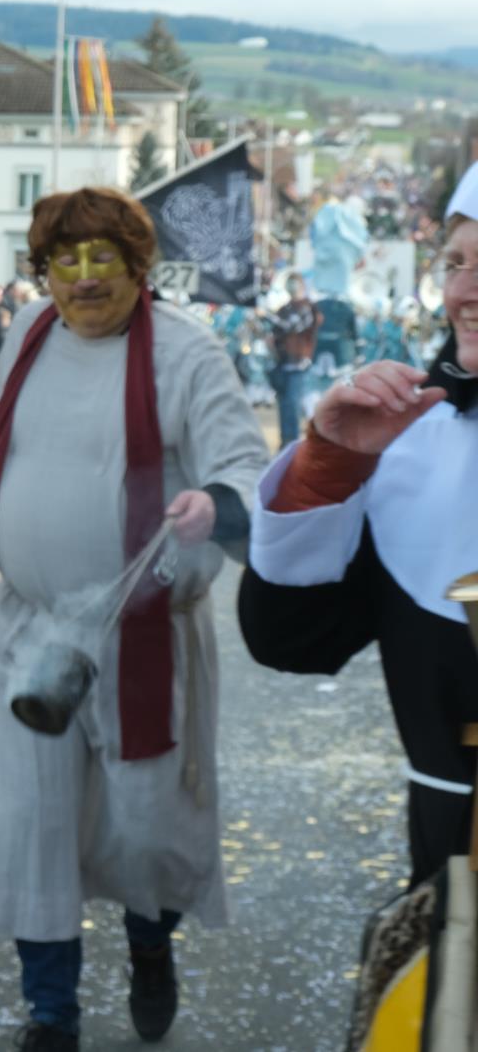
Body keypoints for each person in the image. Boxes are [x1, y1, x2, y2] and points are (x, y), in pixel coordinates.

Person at [0, 186, 268, 1052]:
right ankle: (52, 1012)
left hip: (142, 633)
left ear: (138, 265)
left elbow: (242, 463)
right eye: (64, 263)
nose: (84, 281)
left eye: (102, 260)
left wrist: (213, 502)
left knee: (143, 821)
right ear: (42, 272)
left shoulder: (189, 356)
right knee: (34, 822)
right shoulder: (32, 334)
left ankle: (150, 946)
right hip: (34, 631)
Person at [239, 167, 478, 887]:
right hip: (452, 893)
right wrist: (327, 465)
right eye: (458, 263)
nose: (466, 289)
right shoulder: (414, 447)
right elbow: (290, 641)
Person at [268, 274, 321, 451]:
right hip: (282, 363)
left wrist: (268, 317)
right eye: (289, 283)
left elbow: (292, 326)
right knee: (284, 404)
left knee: (292, 404)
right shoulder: (284, 308)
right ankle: (285, 441)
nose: (292, 286)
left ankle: (291, 445)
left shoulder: (308, 308)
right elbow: (274, 331)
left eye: (295, 283)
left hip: (299, 364)